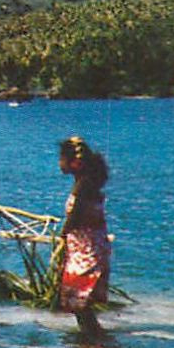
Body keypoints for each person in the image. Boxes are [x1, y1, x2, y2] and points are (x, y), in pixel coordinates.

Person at [57, 136, 112, 337]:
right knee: (80, 305)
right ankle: (95, 343)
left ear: (75, 162)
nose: (59, 163)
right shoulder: (87, 184)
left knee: (80, 303)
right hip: (89, 248)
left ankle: (95, 343)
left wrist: (62, 237)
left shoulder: (83, 187)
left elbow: (75, 218)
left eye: (62, 158)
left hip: (86, 251)